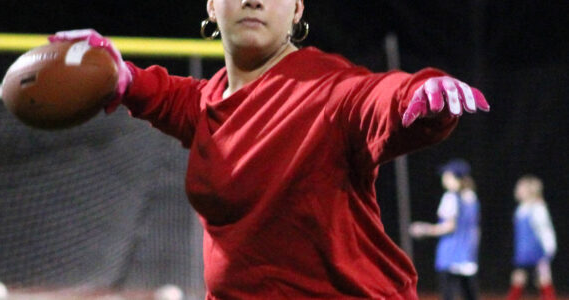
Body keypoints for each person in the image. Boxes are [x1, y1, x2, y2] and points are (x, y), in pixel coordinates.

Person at [48, 0, 490, 298]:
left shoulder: (326, 88)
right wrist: (115, 73)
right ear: (211, 6)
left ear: (296, 9)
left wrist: (419, 93)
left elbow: (373, 98)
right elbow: (164, 95)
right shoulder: (209, 103)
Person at [409, 159, 480, 300]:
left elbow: (449, 227)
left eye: (447, 176)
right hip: (467, 256)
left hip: (449, 255)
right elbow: (475, 231)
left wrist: (424, 229)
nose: (444, 179)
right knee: (470, 295)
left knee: (448, 295)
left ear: (456, 178)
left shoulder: (450, 198)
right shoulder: (472, 198)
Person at [507, 175, 557, 300]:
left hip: (537, 250)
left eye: (520, 188)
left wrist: (549, 249)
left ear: (530, 191)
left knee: (543, 278)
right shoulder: (520, 209)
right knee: (518, 278)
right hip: (523, 251)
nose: (517, 191)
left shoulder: (538, 209)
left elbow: (545, 230)